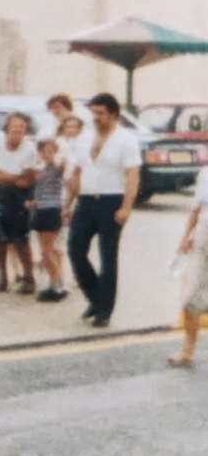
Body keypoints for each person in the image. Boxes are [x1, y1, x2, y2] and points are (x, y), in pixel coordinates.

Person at [63, 93, 140, 329]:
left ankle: (104, 311)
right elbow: (76, 171)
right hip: (86, 201)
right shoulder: (84, 138)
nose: (96, 118)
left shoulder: (126, 139)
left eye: (101, 114)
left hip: (111, 201)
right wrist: (67, 204)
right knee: (75, 249)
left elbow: (132, 175)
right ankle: (96, 298)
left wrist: (126, 207)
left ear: (114, 114)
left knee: (108, 257)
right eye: (93, 113)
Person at [0, 113, 38, 295]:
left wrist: (2, 175)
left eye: (22, 127)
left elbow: (28, 180)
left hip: (18, 195)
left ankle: (29, 278)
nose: (18, 131)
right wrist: (12, 177)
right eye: (15, 127)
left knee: (21, 238)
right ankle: (3, 278)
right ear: (7, 127)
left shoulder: (30, 148)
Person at [168, 163, 208, 367]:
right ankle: (187, 351)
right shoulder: (204, 173)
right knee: (191, 296)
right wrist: (186, 237)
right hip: (202, 240)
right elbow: (196, 209)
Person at [31, 138, 69, 303]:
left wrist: (56, 156)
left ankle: (57, 285)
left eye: (51, 151)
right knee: (45, 250)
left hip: (52, 210)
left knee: (47, 251)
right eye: (44, 151)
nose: (47, 154)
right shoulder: (40, 169)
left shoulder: (56, 168)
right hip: (40, 210)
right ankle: (56, 282)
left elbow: (64, 165)